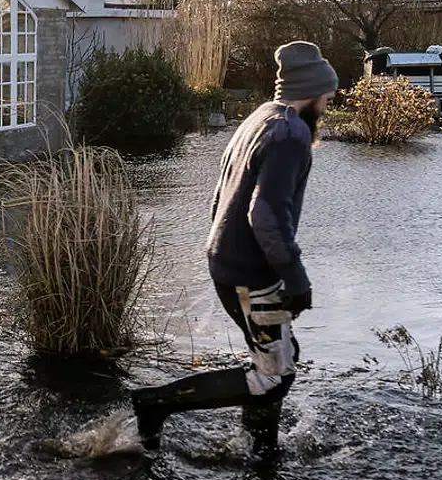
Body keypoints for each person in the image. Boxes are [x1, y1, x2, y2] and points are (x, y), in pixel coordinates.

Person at [132, 40, 337, 453]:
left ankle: (259, 448)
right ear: (312, 92)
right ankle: (155, 404)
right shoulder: (290, 134)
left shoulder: (261, 118)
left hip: (229, 262)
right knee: (272, 377)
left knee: (280, 355)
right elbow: (264, 215)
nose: (330, 104)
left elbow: (220, 195)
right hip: (252, 275)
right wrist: (296, 280)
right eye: (328, 96)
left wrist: (224, 250)